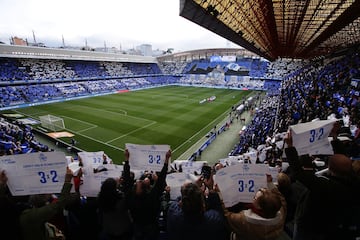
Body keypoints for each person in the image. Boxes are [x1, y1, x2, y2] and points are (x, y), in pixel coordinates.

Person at [284, 130, 360, 240]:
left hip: (311, 228)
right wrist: (334, 137)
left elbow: (298, 173)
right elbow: (343, 160)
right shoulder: (354, 181)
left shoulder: (326, 186)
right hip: (331, 226)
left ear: (330, 169)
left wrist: (289, 146)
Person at [218, 174, 287, 240]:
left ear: (259, 207)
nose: (253, 198)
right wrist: (269, 183)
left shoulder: (243, 220)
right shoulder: (281, 211)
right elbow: (281, 199)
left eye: (255, 198)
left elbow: (227, 215)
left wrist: (221, 194)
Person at [123, 148, 171, 240]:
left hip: (137, 227)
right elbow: (160, 182)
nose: (138, 181)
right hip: (151, 227)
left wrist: (126, 160)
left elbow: (126, 181)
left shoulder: (131, 198)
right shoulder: (151, 198)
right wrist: (166, 161)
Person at [19, 167, 76, 240]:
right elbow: (58, 205)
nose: (50, 193)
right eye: (46, 192)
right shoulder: (32, 215)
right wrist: (67, 182)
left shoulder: (29, 211)